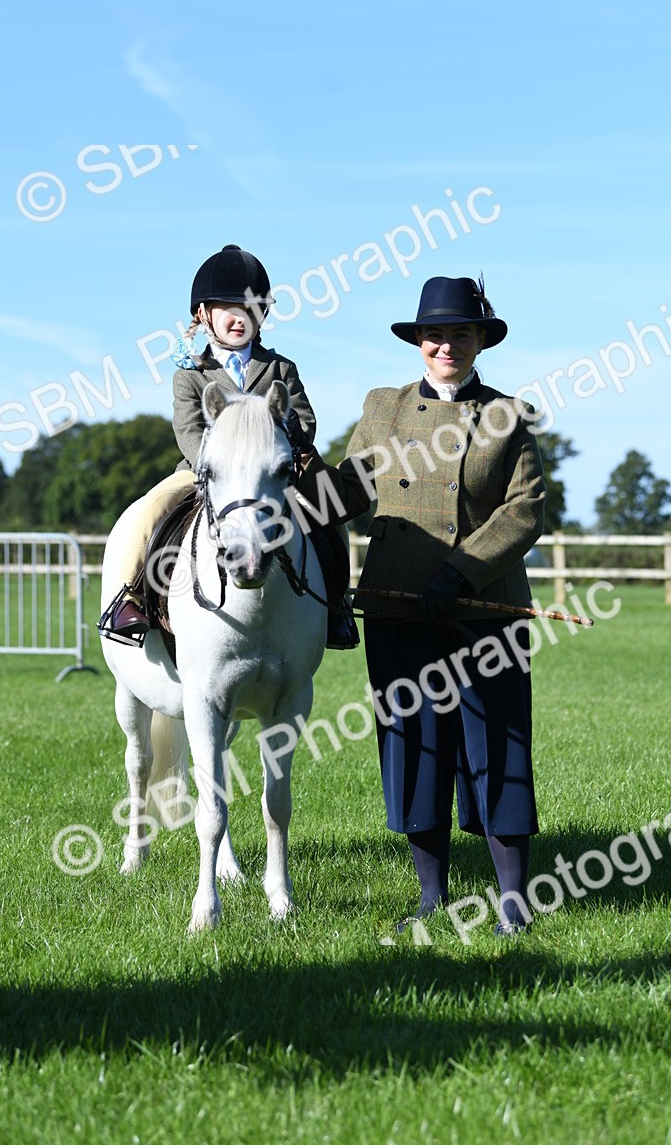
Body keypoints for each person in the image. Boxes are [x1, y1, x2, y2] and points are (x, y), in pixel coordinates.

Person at [297, 275, 546, 935]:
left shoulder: (507, 416)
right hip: (397, 606)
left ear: (479, 341)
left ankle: (514, 904)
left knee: (496, 746)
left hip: (483, 613)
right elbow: (348, 494)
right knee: (415, 748)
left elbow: (525, 513)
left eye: (459, 334)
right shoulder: (383, 407)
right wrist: (299, 476)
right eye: (434, 335)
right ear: (418, 342)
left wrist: (460, 576)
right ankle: (431, 898)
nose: (445, 346)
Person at [97, 244, 359, 650]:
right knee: (151, 507)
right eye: (228, 308)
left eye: (251, 309)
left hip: (272, 472)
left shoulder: (279, 368)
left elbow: (305, 419)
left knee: (331, 509)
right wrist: (220, 458)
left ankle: (335, 605)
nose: (241, 318)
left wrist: (284, 432)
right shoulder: (190, 374)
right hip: (206, 470)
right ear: (203, 315)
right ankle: (132, 597)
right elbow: (188, 429)